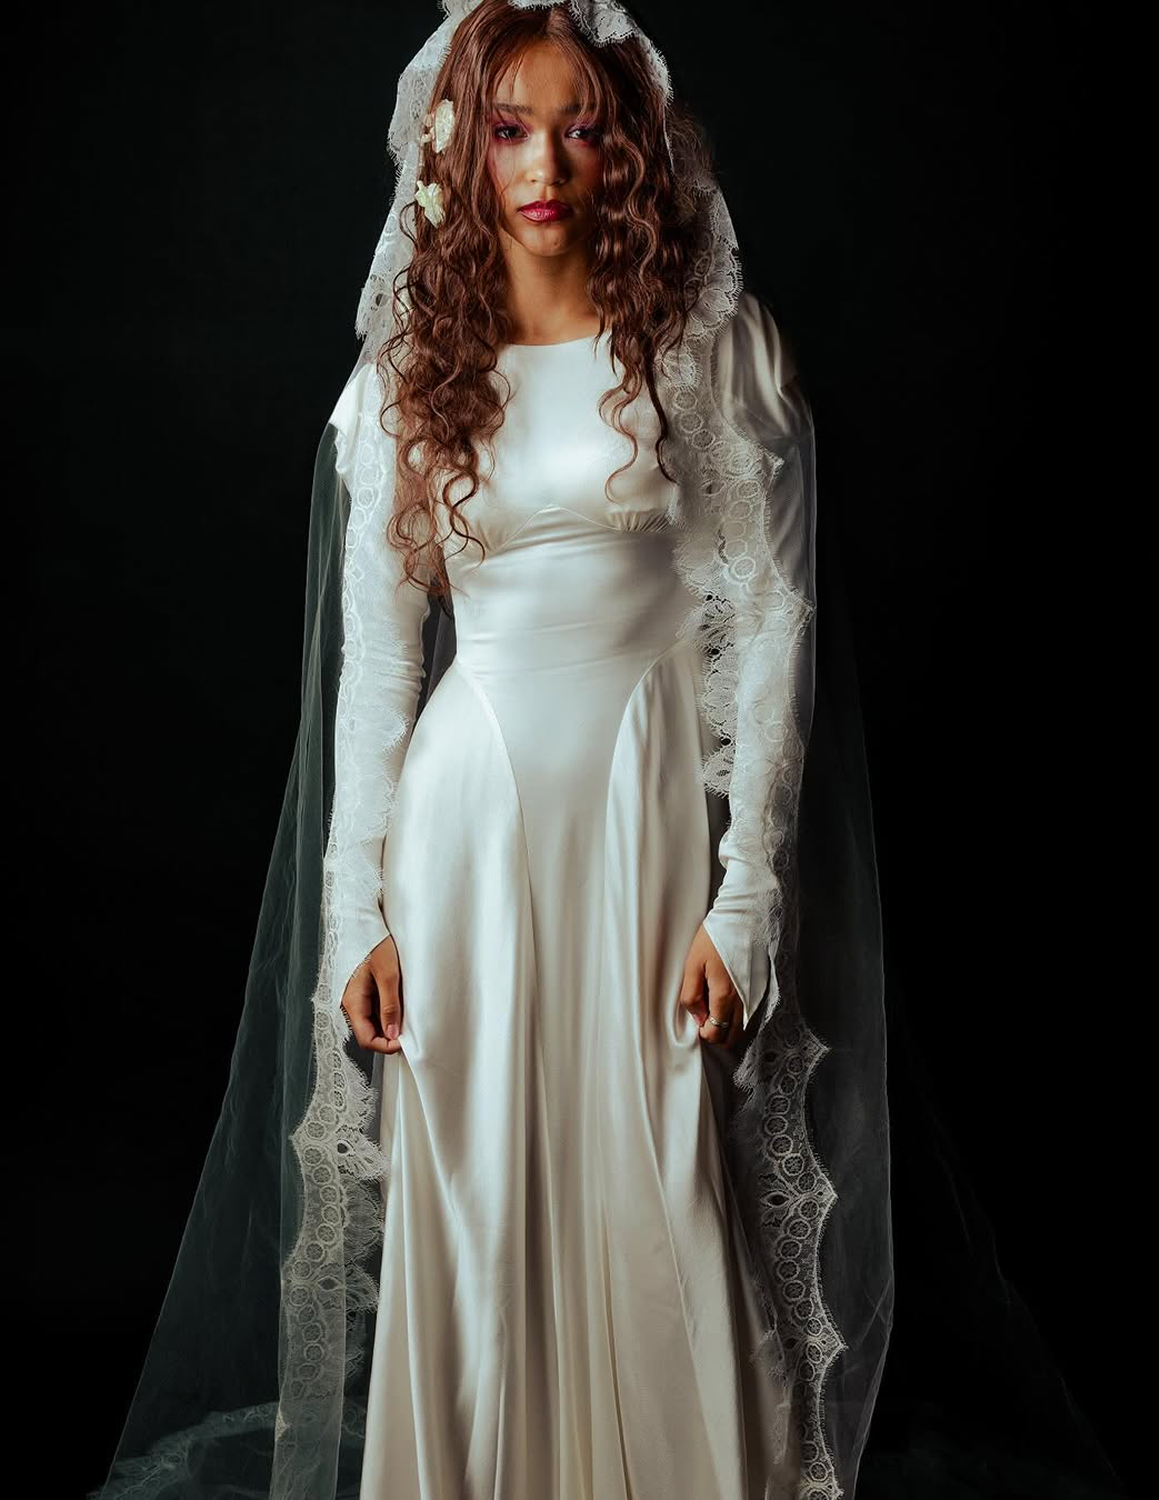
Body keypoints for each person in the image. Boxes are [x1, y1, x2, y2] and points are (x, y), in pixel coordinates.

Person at [89, 4, 892, 1498]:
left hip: (645, 810)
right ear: (458, 147)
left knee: (658, 1166)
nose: (544, 167)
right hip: (464, 816)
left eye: (580, 129)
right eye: (511, 130)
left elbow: (774, 626)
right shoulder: (409, 372)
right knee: (473, 1188)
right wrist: (356, 911)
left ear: (626, 149)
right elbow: (381, 662)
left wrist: (745, 897)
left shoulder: (707, 348)